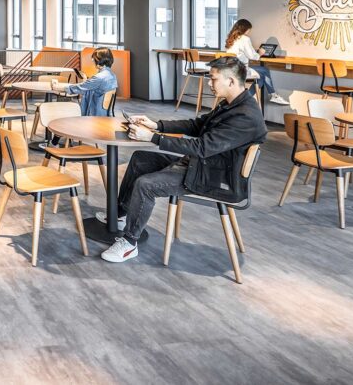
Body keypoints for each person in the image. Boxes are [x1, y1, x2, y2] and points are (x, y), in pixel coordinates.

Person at [99, 56, 267, 263]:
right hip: (202, 166)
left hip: (214, 179)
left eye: (213, 79)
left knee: (146, 185)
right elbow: (196, 126)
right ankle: (121, 212)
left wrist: (152, 138)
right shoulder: (230, 105)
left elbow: (202, 148)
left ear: (231, 81)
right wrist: (156, 125)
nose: (208, 83)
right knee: (140, 158)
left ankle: (129, 242)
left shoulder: (245, 117)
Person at [225, 18, 289, 106]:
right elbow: (253, 56)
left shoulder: (231, 39)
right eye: (249, 29)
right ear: (245, 29)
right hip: (241, 71)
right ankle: (273, 95)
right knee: (265, 70)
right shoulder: (245, 39)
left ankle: (245, 99)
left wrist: (254, 51)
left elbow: (242, 52)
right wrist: (260, 53)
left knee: (261, 78)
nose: (250, 31)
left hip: (230, 71)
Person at [54, 47, 117, 116]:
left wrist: (60, 87)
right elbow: (91, 86)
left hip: (94, 113)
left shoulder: (99, 77)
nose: (93, 61)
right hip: (105, 112)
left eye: (93, 59)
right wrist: (87, 82)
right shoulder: (112, 75)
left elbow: (80, 88)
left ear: (99, 60)